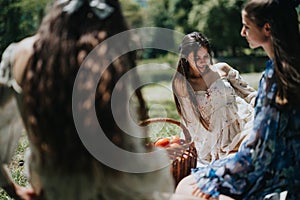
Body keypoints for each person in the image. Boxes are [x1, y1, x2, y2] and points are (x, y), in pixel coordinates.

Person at [0, 0, 174, 199]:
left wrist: (11, 188)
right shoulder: (109, 52)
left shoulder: (22, 55)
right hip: (120, 189)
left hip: (55, 189)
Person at [175, 0, 300, 199]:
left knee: (185, 188)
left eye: (246, 26)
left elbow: (261, 149)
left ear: (267, 28)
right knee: (189, 184)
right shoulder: (282, 71)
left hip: (266, 157)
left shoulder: (277, 77)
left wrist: (217, 177)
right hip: (271, 158)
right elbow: (190, 121)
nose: (242, 32)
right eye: (196, 58)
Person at [172, 32, 257, 165]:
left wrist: (265, 106)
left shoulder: (222, 69)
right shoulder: (182, 84)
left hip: (242, 123)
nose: (202, 61)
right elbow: (192, 122)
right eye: (196, 57)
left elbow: (249, 94)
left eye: (205, 56)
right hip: (213, 141)